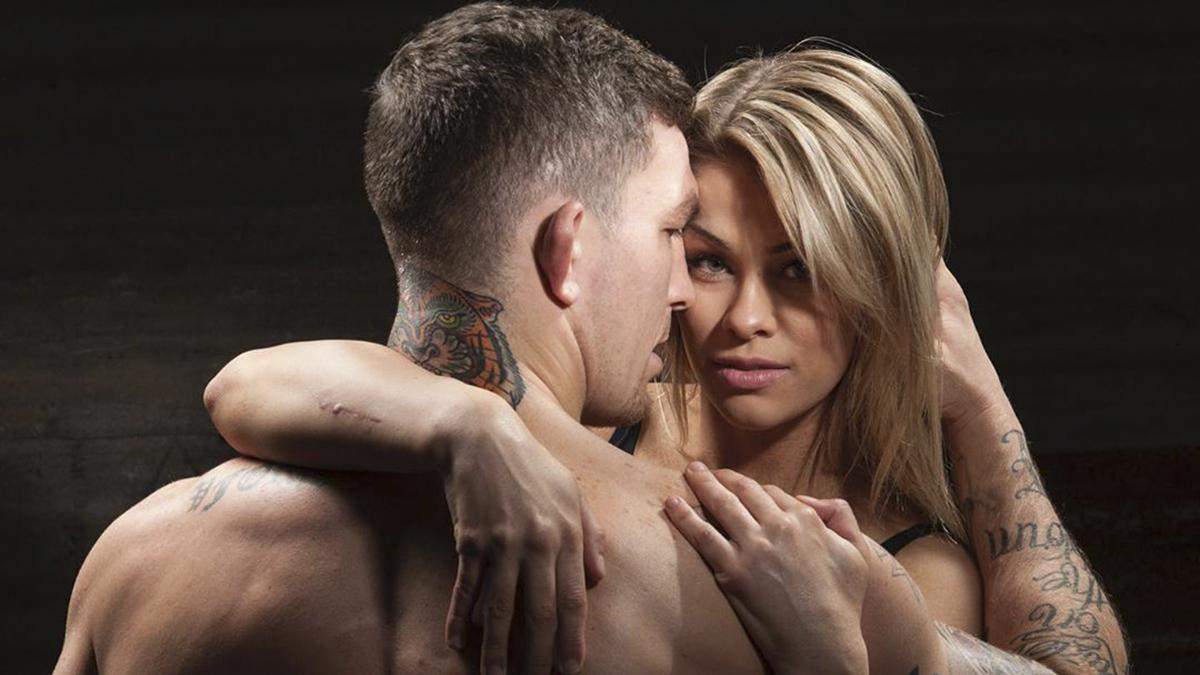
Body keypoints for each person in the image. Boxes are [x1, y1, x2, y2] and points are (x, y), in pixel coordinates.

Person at [53, 5, 954, 674]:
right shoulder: (801, 590)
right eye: (673, 231)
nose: (682, 290)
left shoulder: (142, 558)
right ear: (568, 250)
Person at [203, 40, 1129, 675]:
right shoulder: (595, 411)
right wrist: (469, 424)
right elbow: (251, 382)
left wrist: (981, 405)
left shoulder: (904, 565)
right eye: (708, 259)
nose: (743, 320)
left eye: (800, 271)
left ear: (879, 286)